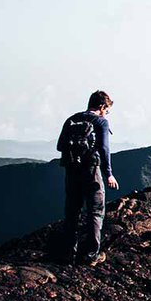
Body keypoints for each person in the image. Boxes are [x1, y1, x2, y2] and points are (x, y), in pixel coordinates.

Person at [56, 90, 119, 265]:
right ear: (102, 106)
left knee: (72, 211)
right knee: (95, 210)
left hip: (71, 170)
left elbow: (60, 146)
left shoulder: (72, 119)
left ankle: (68, 252)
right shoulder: (100, 122)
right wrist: (109, 174)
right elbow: (104, 149)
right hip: (91, 171)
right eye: (107, 110)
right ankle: (90, 255)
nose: (107, 113)